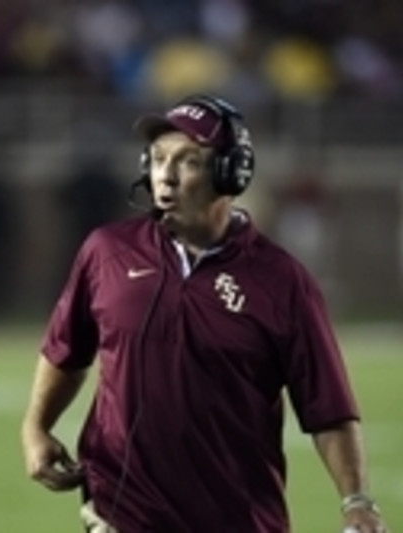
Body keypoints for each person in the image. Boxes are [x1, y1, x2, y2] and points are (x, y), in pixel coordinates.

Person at [20, 94, 389, 533]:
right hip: (123, 514)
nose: (166, 176)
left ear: (230, 173)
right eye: (157, 159)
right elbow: (66, 349)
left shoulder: (282, 281)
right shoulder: (106, 252)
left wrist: (357, 501)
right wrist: (36, 428)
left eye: (188, 162)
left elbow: (328, 408)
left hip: (239, 518)